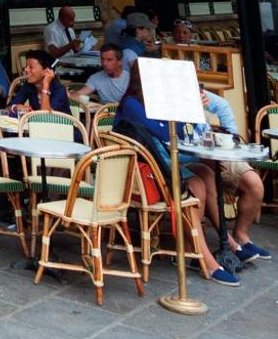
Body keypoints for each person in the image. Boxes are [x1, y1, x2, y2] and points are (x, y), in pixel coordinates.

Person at [114, 60, 238, 285]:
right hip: (140, 174)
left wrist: (190, 109)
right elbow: (163, 132)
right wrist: (189, 110)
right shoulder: (132, 103)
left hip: (159, 164)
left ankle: (224, 240)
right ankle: (203, 258)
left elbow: (177, 131)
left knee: (206, 173)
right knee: (197, 185)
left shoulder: (156, 101)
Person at [198, 87, 270, 264]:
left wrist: (230, 137)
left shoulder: (197, 93)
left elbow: (222, 105)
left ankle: (241, 236)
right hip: (193, 157)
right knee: (207, 180)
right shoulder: (169, 99)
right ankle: (226, 243)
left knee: (255, 185)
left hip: (216, 152)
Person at [7, 50, 72, 115]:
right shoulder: (28, 85)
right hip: (36, 124)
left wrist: (45, 86)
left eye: (31, 67)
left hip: (60, 124)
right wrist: (15, 107)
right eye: (26, 66)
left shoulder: (59, 90)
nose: (26, 69)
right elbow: (8, 107)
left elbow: (46, 118)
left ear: (46, 70)